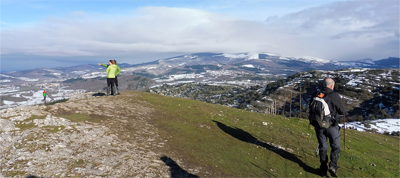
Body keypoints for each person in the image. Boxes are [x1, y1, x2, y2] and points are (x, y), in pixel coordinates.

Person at [309, 78, 345, 177]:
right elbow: (342, 111)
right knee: (336, 146)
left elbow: (310, 107)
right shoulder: (334, 95)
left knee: (323, 147)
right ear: (332, 86)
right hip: (332, 126)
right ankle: (333, 166)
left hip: (319, 125)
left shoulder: (316, 93)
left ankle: (323, 170)